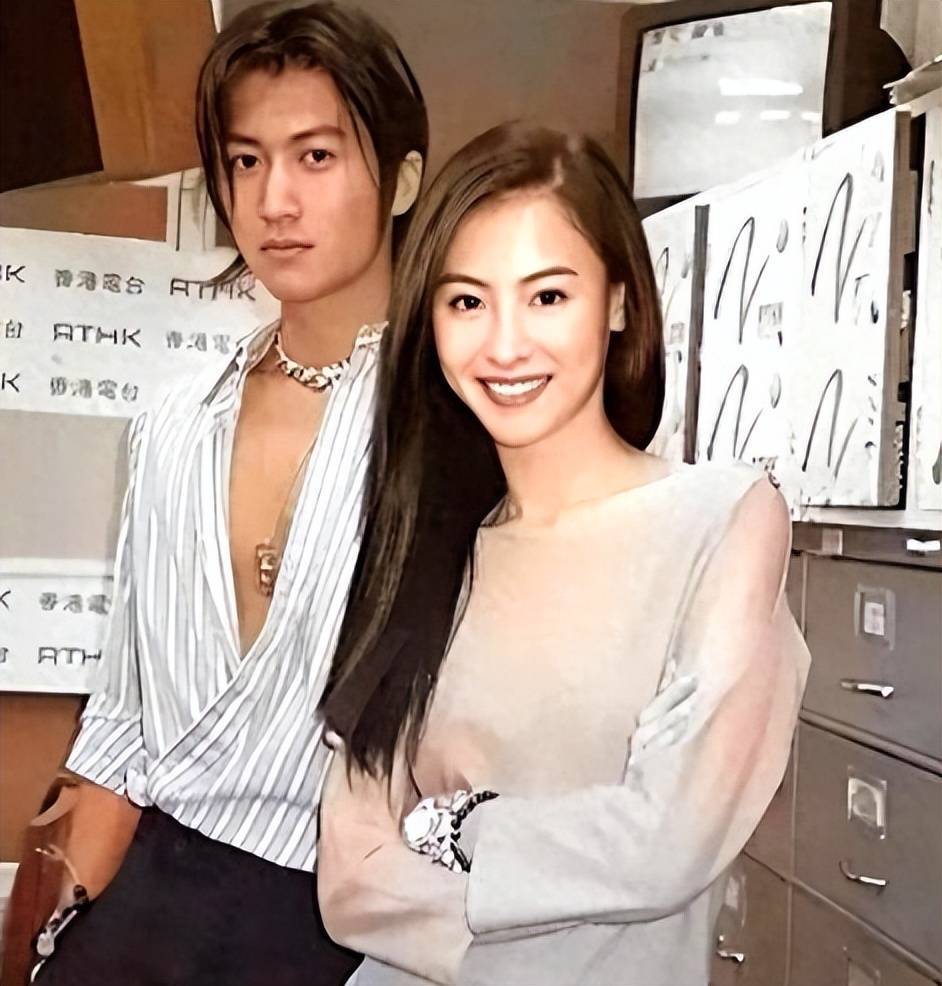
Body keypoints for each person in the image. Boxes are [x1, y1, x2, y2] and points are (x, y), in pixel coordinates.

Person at [316, 122, 811, 986]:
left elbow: (667, 843)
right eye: (466, 302)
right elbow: (350, 884)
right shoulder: (424, 548)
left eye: (547, 296)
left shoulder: (724, 517)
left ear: (618, 300)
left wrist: (459, 825)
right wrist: (539, 883)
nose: (505, 345)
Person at [31, 3, 427, 984]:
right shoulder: (174, 422)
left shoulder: (450, 427)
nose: (275, 200)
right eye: (246, 161)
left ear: (404, 178)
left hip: (349, 921)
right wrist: (50, 937)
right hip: (146, 900)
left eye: (316, 156)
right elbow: (119, 720)